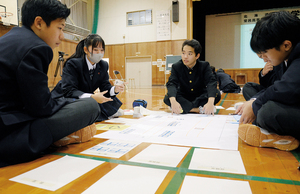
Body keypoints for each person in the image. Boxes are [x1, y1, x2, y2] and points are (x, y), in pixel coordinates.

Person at [0, 0, 101, 167]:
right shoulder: (37, 47)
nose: (62, 36)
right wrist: (65, 100)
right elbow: (41, 107)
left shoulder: (10, 38)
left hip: (8, 118)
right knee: (90, 106)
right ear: (39, 22)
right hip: (9, 137)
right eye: (60, 28)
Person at [236, 11, 300, 151]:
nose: (264, 58)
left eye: (265, 53)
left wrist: (255, 105)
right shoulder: (283, 58)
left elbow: (286, 89)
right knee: (254, 94)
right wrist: (254, 102)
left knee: (268, 112)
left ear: (286, 45)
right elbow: (273, 85)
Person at [57, 34, 125, 122]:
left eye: (101, 50)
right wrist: (92, 96)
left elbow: (105, 87)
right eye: (96, 50)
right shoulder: (73, 64)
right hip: (69, 96)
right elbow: (69, 90)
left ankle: (102, 111)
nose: (99, 53)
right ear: (86, 50)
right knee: (89, 106)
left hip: (87, 97)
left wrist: (115, 89)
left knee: (110, 99)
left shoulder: (103, 65)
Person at [163, 39, 220, 115]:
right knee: (168, 97)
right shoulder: (176, 66)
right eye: (183, 53)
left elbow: (211, 82)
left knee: (216, 94)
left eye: (189, 54)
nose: (185, 57)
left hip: (199, 96)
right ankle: (197, 109)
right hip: (184, 96)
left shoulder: (204, 65)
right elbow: (171, 83)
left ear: (197, 56)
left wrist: (210, 102)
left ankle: (183, 109)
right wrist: (173, 102)